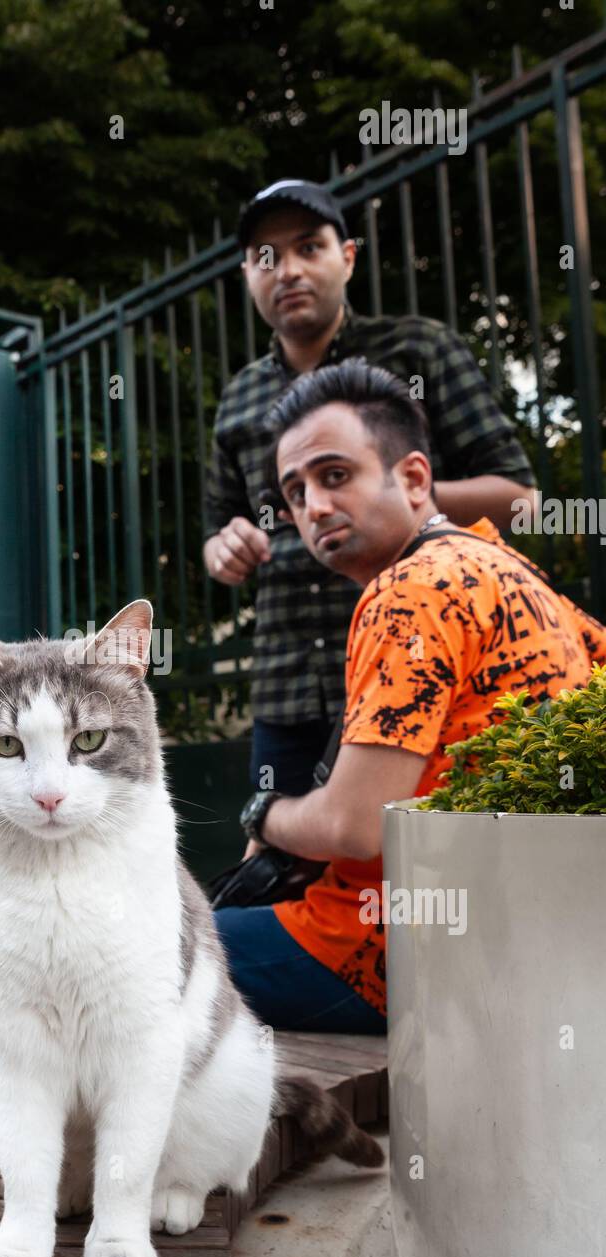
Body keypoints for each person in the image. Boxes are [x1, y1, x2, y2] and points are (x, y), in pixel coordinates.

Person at [213, 359, 606, 1035]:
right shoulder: (522, 577)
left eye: (334, 475)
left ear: (414, 478)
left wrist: (263, 813)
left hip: (390, 952)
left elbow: (354, 828)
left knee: (129, 951)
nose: (313, 508)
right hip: (531, 945)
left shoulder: (407, 591)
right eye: (294, 492)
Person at [203, 177, 537, 809]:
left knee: (426, 875)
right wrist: (223, 548)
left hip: (422, 667)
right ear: (247, 273)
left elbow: (521, 497)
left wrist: (396, 496)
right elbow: (220, 528)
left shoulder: (419, 350)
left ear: (347, 256)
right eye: (266, 258)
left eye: (309, 247)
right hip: (287, 687)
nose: (289, 271)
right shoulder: (238, 399)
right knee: (285, 885)